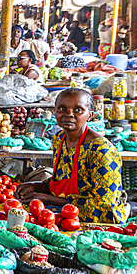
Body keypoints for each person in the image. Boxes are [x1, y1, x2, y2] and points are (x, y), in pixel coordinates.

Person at [16, 88, 124, 226]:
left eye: (78, 110)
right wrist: (35, 186)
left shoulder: (102, 150)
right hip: (64, 213)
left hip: (98, 221)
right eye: (62, 109)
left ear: (90, 115)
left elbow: (104, 205)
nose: (69, 115)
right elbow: (63, 181)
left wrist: (48, 199)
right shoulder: (59, 139)